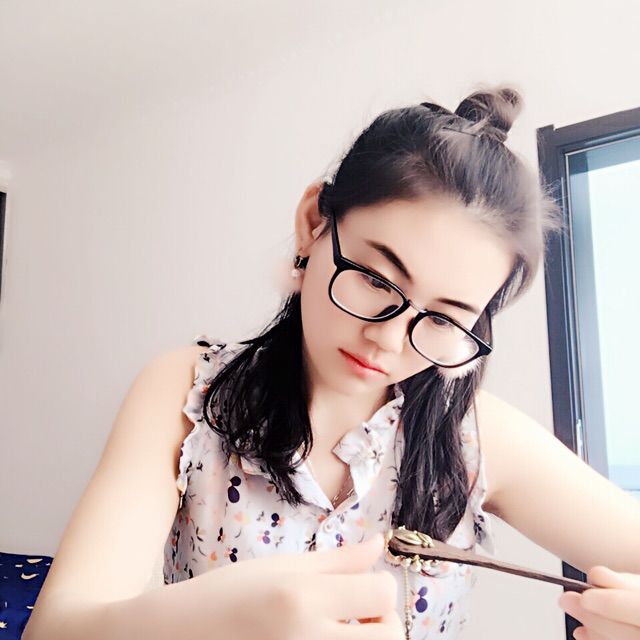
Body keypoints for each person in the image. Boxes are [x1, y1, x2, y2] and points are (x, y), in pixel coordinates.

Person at [23, 86, 640, 640]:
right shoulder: (189, 394)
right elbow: (56, 630)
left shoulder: (474, 434)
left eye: (444, 319)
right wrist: (206, 623)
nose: (389, 340)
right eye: (374, 278)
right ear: (314, 223)